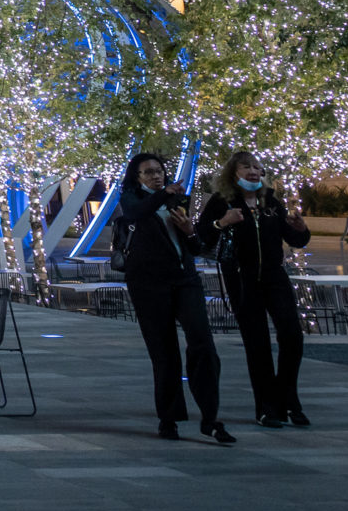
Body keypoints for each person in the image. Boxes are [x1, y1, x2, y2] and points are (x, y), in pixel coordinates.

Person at [117, 150, 233, 444]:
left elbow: (195, 247)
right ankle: (168, 418)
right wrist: (163, 194)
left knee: (203, 344)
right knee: (164, 351)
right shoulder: (132, 199)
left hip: (185, 280)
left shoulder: (175, 201)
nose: (157, 176)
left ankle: (210, 416)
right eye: (149, 172)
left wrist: (190, 231)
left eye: (159, 171)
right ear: (137, 177)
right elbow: (136, 213)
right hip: (148, 284)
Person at [208, 150, 310, 428]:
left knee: (292, 336)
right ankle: (267, 408)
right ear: (234, 172)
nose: (253, 171)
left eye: (257, 167)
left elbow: (295, 239)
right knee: (257, 344)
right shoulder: (222, 202)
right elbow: (203, 235)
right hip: (242, 279)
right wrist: (222, 222)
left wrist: (300, 229)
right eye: (246, 167)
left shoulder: (271, 202)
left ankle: (289, 399)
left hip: (275, 276)